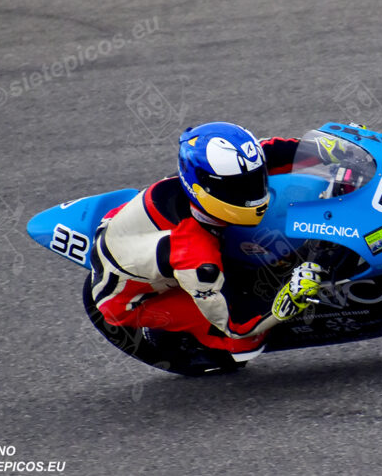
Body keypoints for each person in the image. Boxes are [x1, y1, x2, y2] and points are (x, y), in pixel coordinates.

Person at [89, 122, 329, 355]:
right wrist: (289, 298)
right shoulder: (195, 256)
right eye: (239, 188)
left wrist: (325, 149)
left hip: (133, 230)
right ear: (204, 188)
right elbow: (235, 323)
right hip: (132, 301)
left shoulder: (216, 177)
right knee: (246, 342)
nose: (252, 193)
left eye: (255, 181)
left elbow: (270, 152)